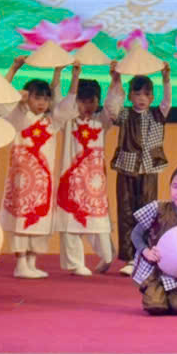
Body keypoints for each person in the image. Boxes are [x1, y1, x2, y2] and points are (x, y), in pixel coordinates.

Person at [0, 55, 74, 278]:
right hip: (22, 180)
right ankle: (20, 263)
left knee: (41, 220)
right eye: (37, 98)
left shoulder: (52, 122)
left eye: (45, 99)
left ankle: (31, 261)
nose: (42, 103)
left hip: (42, 183)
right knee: (20, 218)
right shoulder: (17, 115)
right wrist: (14, 68)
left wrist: (60, 72)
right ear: (26, 97)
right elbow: (0, 98)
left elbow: (65, 103)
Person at [107, 60, 173, 276]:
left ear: (152, 97)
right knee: (127, 212)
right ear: (130, 96)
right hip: (127, 168)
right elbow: (112, 108)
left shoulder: (157, 114)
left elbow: (167, 101)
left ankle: (144, 256)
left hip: (149, 170)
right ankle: (129, 258)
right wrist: (115, 80)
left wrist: (166, 79)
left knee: (147, 214)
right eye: (137, 94)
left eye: (146, 94)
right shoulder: (125, 114)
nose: (142, 98)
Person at [54, 64, 115, 276]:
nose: (87, 106)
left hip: (94, 184)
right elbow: (60, 103)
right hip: (72, 182)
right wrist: (69, 75)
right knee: (70, 222)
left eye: (92, 101)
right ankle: (75, 264)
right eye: (82, 101)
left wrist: (115, 79)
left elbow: (113, 107)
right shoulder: (68, 122)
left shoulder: (101, 122)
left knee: (98, 221)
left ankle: (107, 256)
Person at [131, 163, 177, 315]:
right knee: (155, 305)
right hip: (152, 267)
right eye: (175, 186)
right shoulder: (157, 208)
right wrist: (146, 251)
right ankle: (153, 290)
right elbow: (135, 234)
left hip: (176, 273)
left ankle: (173, 294)